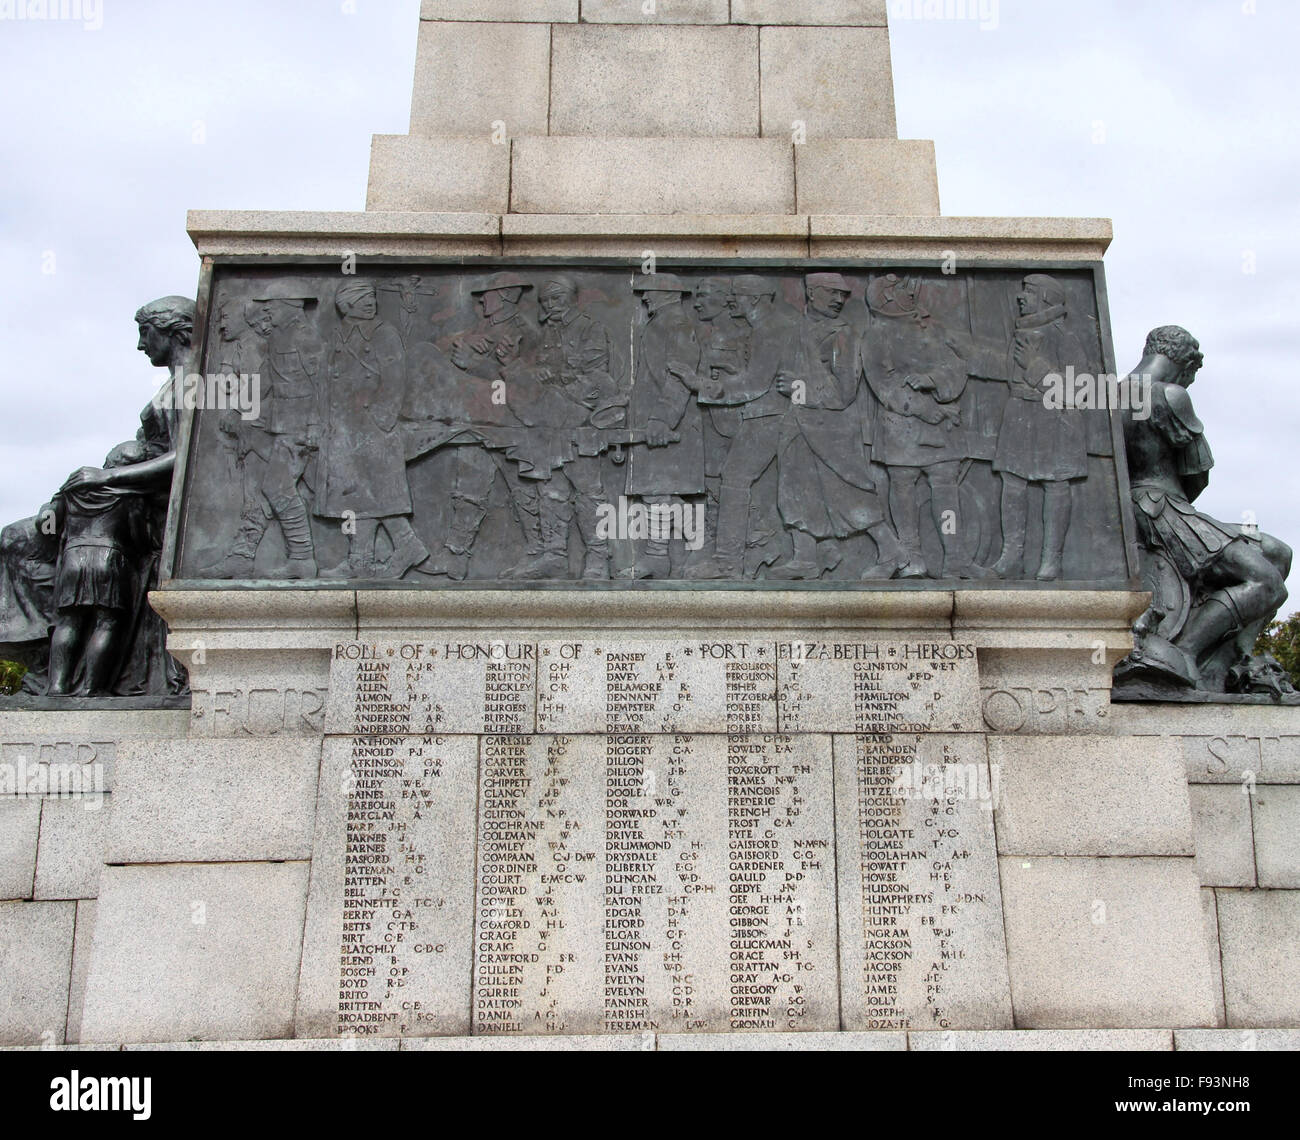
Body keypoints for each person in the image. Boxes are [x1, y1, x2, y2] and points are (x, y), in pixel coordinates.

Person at [1118, 325, 1291, 690]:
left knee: (1278, 550)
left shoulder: (1107, 396)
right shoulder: (1170, 395)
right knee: (1267, 580)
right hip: (1167, 510)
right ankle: (1184, 655)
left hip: (1136, 511)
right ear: (1184, 364)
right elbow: (1197, 473)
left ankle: (1234, 665)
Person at [861, 274, 984, 579]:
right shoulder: (876, 335)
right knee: (902, 487)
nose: (911, 293)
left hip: (941, 430)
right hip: (901, 430)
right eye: (902, 290)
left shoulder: (930, 328)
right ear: (887, 298)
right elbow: (885, 386)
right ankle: (911, 557)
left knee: (946, 490)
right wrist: (926, 409)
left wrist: (935, 382)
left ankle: (955, 557)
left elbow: (956, 367)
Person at [316, 280, 429, 578]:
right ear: (346, 304)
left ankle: (403, 546)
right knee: (359, 495)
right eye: (362, 297)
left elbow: (395, 377)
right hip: (345, 430)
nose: (370, 302)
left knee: (379, 491)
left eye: (372, 296)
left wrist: (383, 418)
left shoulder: (383, 333)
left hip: (374, 428)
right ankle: (363, 559)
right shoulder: (338, 337)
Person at [621, 274, 704, 579]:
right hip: (653, 421)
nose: (645, 298)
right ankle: (663, 554)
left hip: (669, 424)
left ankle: (695, 548)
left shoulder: (678, 326)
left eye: (650, 292)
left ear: (669, 294)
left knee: (661, 491)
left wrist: (662, 419)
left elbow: (678, 379)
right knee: (657, 492)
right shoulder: (660, 323)